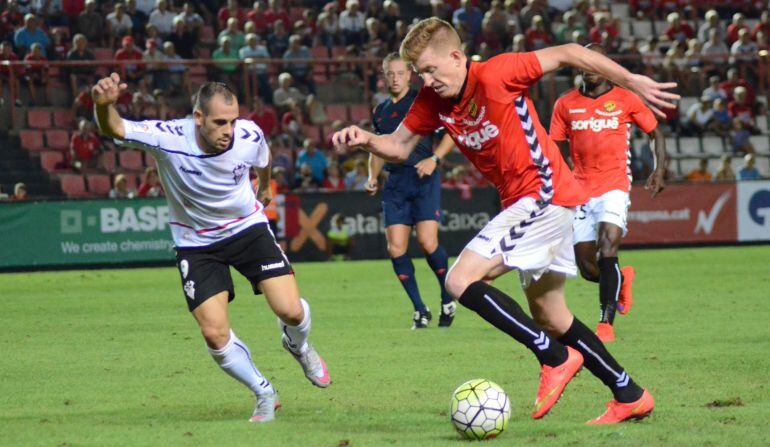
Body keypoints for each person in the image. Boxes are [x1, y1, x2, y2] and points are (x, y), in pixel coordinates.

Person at [333, 18, 678, 424]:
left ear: (457, 56)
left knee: (460, 280)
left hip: (543, 192)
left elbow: (569, 52)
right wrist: (365, 139)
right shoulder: (432, 99)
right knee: (551, 315)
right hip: (530, 201)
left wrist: (630, 80)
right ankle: (628, 392)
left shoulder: (498, 72)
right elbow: (398, 145)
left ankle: (552, 357)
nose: (426, 79)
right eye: (420, 72)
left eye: (431, 69)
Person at [93, 73, 330, 423]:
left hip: (247, 229)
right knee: (214, 332)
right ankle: (264, 392)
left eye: (233, 120)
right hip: (196, 243)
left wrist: (264, 189)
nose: (229, 130)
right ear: (198, 118)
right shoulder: (168, 137)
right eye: (220, 122)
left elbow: (262, 160)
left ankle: (299, 345)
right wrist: (103, 105)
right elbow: (115, 128)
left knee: (291, 312)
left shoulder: (248, 134)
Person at [550, 44, 667, 343]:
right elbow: (556, 148)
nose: (586, 68)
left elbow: (655, 132)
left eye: (593, 62)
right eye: (582, 63)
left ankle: (605, 324)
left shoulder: (626, 99)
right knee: (588, 267)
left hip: (614, 185)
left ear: (606, 65)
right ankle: (621, 278)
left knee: (608, 246)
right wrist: (557, 180)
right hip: (579, 189)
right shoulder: (565, 104)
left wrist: (659, 169)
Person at [366, 52, 456, 329]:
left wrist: (434, 159)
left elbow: (451, 132)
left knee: (428, 243)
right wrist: (372, 176)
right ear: (384, 76)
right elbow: (378, 147)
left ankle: (447, 296)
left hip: (422, 177)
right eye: (389, 73)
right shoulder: (380, 111)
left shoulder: (424, 101)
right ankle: (420, 309)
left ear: (409, 74)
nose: (395, 78)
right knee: (396, 248)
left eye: (400, 73)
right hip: (395, 183)